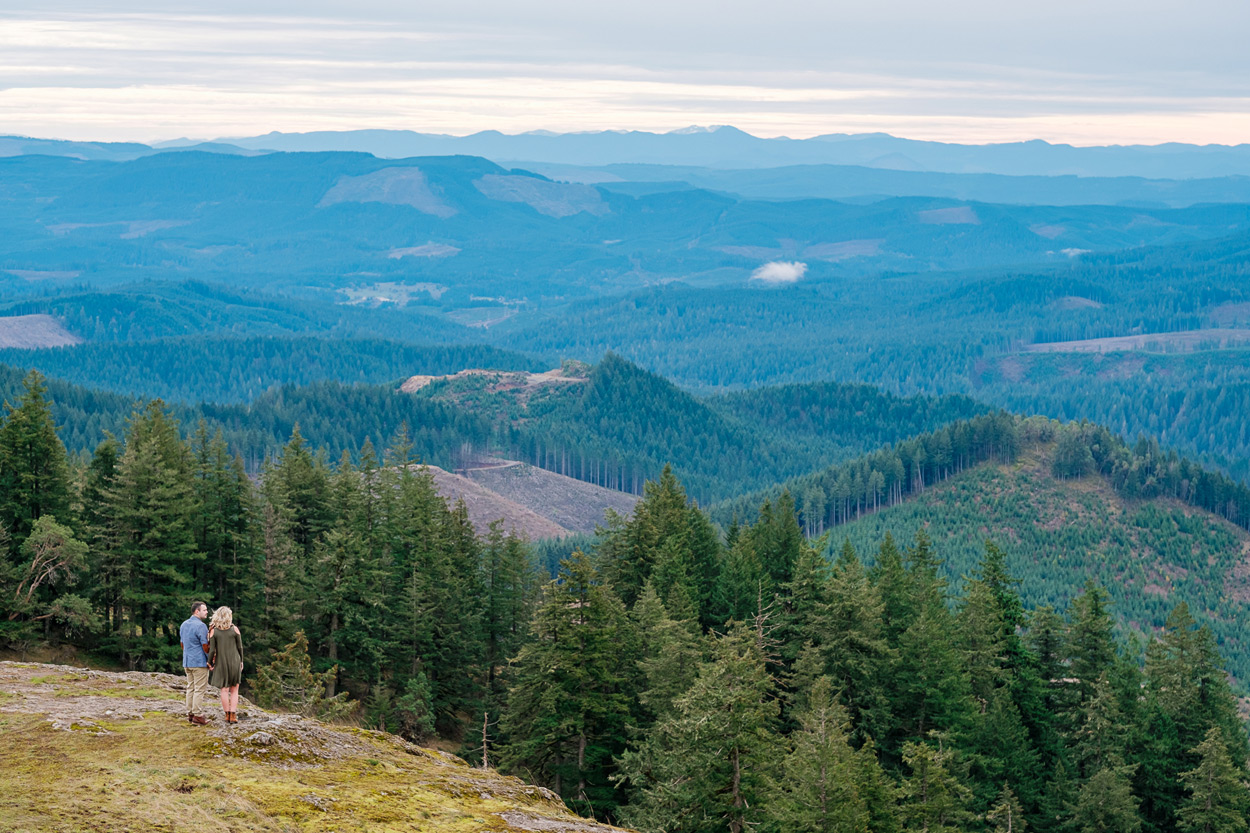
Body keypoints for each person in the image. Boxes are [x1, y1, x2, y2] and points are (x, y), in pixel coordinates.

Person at [208, 606, 244, 724]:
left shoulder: (214, 631)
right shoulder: (235, 629)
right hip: (235, 661)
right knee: (234, 689)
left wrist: (209, 662)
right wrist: (241, 661)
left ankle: (227, 714)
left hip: (221, 662)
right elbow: (240, 647)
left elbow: (212, 650)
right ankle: (233, 715)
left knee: (224, 690)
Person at [179, 601, 210, 725]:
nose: (207, 612)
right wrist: (210, 659)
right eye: (204, 610)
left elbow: (182, 644)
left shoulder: (184, 624)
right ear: (197, 611)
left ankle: (190, 713)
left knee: (190, 687)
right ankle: (198, 715)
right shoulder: (201, 626)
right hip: (199, 662)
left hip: (187, 661)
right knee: (199, 689)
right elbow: (205, 645)